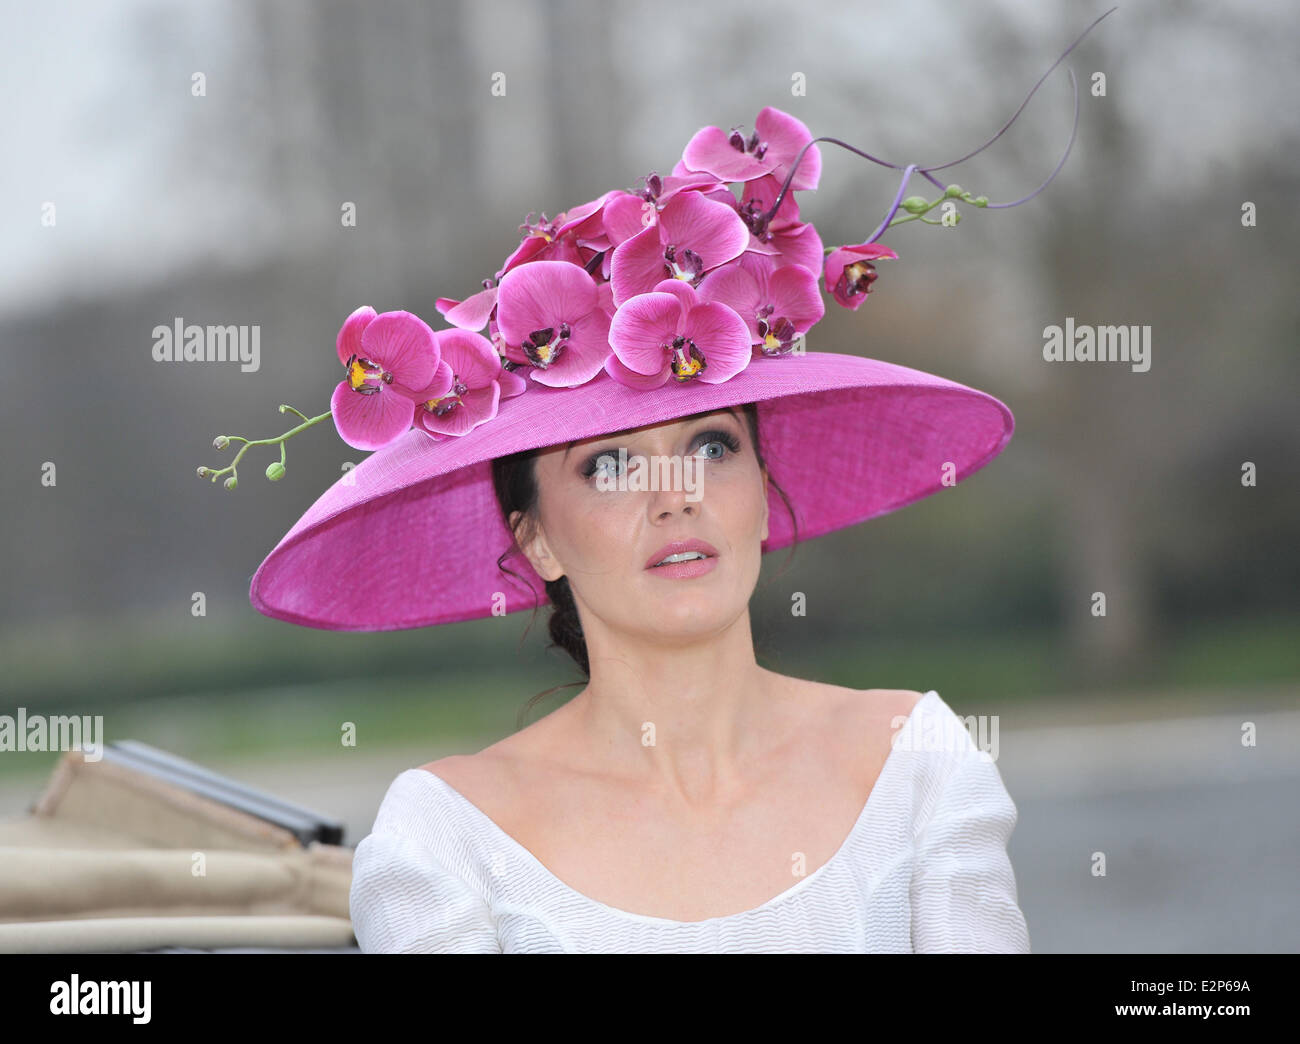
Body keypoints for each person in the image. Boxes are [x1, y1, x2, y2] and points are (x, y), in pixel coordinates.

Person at [223, 12, 1118, 945]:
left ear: (762, 488)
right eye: (608, 464)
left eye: (713, 446)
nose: (677, 493)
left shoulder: (919, 764)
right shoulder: (447, 839)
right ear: (534, 538)